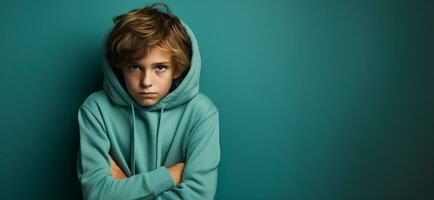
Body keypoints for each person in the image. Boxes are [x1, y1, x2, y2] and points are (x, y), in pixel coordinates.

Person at [76, 3, 220, 199]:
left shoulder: (201, 113)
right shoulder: (96, 110)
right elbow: (96, 194)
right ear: (120, 67)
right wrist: (170, 175)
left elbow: (199, 196)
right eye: (135, 67)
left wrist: (122, 188)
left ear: (177, 68)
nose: (146, 82)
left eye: (160, 68)